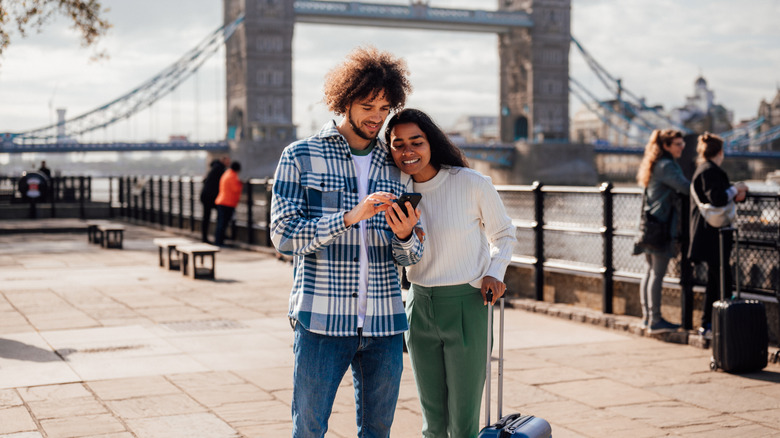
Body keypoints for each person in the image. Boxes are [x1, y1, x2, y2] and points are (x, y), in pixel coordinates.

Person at [270, 46, 423, 437]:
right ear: (345, 100)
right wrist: (349, 217)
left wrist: (406, 236)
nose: (376, 117)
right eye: (367, 105)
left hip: (385, 323)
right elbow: (283, 236)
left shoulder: (396, 164)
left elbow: (411, 255)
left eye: (384, 108)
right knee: (309, 429)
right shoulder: (300, 156)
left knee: (378, 432)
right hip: (321, 319)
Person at [386, 108, 516, 438]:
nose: (407, 151)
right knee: (432, 422)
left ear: (432, 142)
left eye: (416, 141)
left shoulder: (471, 183)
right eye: (398, 144)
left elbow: (503, 234)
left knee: (463, 421)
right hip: (418, 306)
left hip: (466, 305)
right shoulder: (393, 191)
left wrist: (495, 272)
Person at [688, 132, 748, 338]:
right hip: (714, 235)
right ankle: (715, 324)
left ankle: (710, 324)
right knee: (722, 278)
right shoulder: (709, 171)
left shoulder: (702, 169)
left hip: (708, 233)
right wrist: (735, 189)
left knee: (716, 280)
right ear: (720, 152)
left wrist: (732, 193)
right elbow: (717, 198)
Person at [634, 129, 690, 333]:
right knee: (657, 273)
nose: (682, 147)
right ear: (666, 146)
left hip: (651, 225)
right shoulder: (666, 166)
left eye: (682, 143)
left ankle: (648, 318)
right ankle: (655, 320)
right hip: (662, 226)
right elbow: (686, 187)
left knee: (649, 272)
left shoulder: (656, 163)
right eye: (678, 144)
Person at [200, 156, 229, 243]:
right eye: (227, 161)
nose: (228, 163)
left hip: (206, 196)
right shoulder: (219, 169)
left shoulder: (214, 168)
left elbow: (205, 180)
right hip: (210, 197)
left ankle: (206, 237)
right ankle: (219, 236)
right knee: (222, 214)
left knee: (207, 217)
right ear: (223, 160)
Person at [214, 161, 242, 246]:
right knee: (223, 223)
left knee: (220, 223)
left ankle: (218, 241)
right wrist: (240, 184)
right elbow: (236, 189)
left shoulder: (226, 174)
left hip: (221, 201)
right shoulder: (232, 176)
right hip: (227, 203)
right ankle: (219, 242)